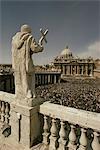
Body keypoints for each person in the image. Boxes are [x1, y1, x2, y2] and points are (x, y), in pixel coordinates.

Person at [12, 24, 44, 98]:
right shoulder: (29, 37)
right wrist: (41, 46)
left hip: (16, 64)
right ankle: (29, 92)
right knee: (30, 77)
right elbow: (35, 48)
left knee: (19, 79)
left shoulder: (14, 39)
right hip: (25, 62)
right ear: (29, 30)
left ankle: (20, 94)